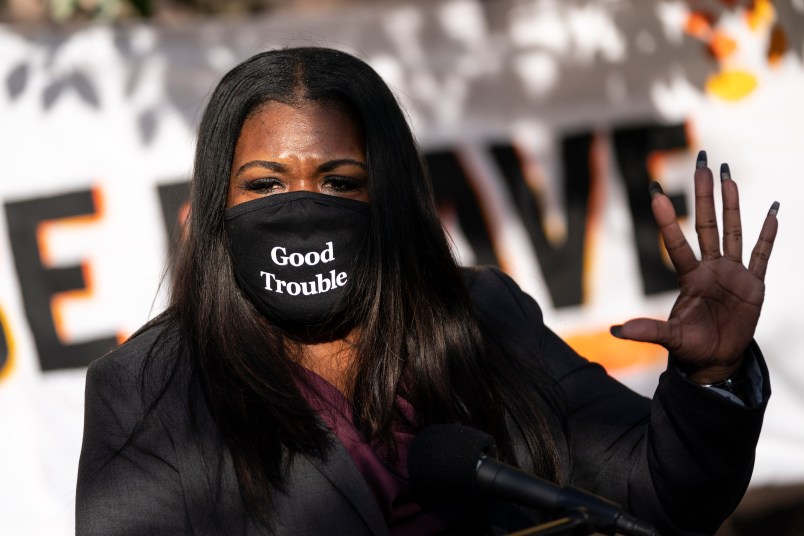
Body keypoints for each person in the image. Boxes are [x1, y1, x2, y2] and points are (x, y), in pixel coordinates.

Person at [75, 47, 779, 536]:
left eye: (339, 181)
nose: (301, 206)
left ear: (389, 195)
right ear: (216, 203)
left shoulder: (482, 317)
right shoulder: (147, 387)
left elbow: (657, 496)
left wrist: (710, 378)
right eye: (265, 184)